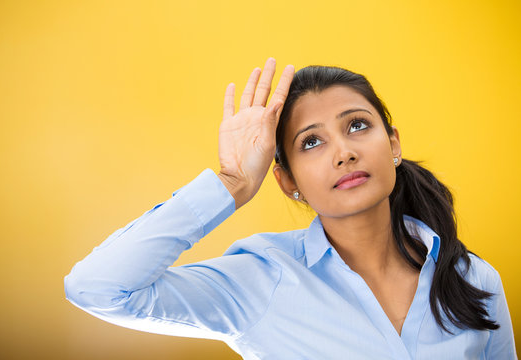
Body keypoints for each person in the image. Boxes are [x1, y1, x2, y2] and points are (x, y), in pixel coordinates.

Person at [64, 58, 517, 359]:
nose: (344, 152)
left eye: (357, 125)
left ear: (393, 144)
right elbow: (97, 289)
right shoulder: (261, 280)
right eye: (312, 142)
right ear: (286, 181)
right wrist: (233, 184)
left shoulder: (473, 279)